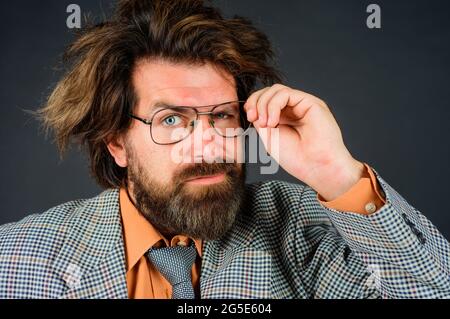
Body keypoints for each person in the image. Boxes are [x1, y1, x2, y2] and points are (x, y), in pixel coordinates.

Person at [0, 0, 449, 299]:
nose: (208, 143)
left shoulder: (304, 230)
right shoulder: (18, 258)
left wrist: (338, 174)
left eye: (221, 116)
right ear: (116, 142)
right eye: (172, 120)